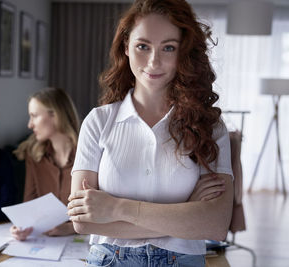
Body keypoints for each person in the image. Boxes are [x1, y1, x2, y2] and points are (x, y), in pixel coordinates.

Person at [67, 0, 234, 266]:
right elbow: (82, 222)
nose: (154, 61)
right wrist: (186, 213)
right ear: (126, 47)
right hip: (110, 260)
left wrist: (114, 209)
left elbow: (215, 224)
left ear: (183, 52)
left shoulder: (210, 127)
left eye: (168, 47)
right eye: (143, 46)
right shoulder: (98, 121)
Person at [10, 87, 80, 240]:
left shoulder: (87, 153)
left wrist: (71, 228)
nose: (30, 125)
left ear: (55, 115)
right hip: (46, 242)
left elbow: (99, 210)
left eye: (34, 116)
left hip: (83, 242)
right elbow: (29, 204)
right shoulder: (34, 154)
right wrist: (21, 226)